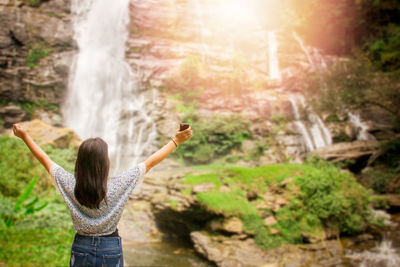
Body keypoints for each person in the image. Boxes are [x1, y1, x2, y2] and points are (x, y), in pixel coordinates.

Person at [12, 123, 193, 267]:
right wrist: (176, 141)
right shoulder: (119, 184)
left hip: (81, 246)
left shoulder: (70, 184)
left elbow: (45, 159)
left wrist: (25, 137)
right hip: (110, 247)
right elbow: (149, 163)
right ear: (105, 162)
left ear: (80, 162)